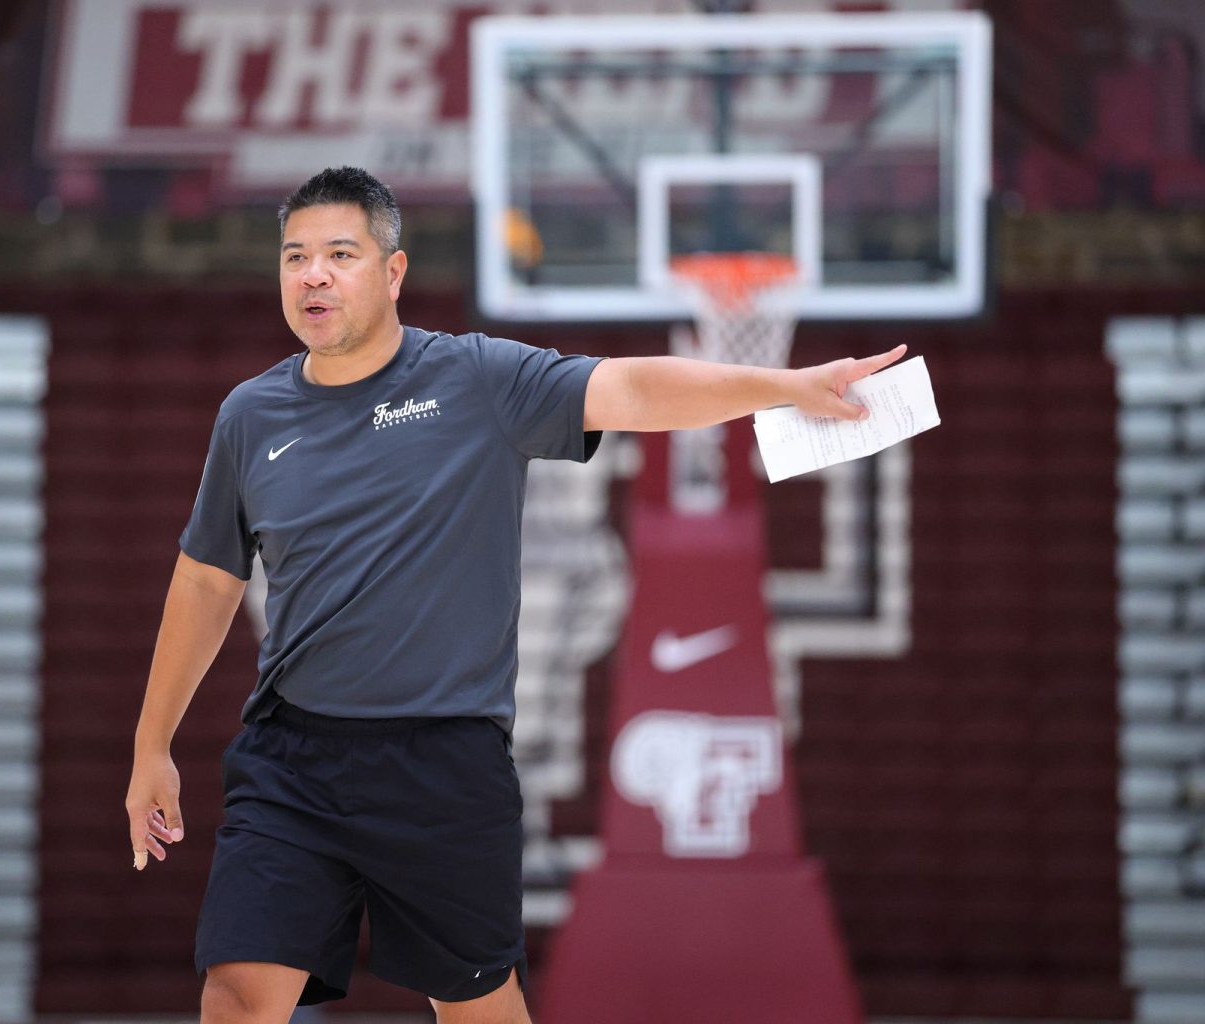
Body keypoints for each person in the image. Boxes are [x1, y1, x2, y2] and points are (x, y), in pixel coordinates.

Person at [125, 166, 906, 1024]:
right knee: (236, 994)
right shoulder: (249, 416)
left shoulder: (477, 381)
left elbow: (635, 388)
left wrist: (786, 388)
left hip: (443, 764)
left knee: (477, 1010)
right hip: (292, 763)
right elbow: (206, 580)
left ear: (392, 274)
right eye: (295, 256)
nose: (312, 275)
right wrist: (150, 744)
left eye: (339, 254)